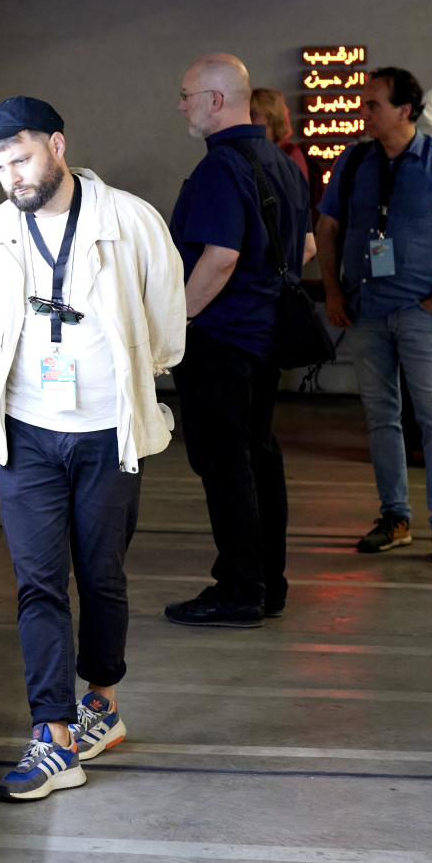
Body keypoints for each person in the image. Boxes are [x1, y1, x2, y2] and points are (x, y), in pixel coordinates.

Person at [0, 97, 184, 802]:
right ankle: (53, 735)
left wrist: (119, 381)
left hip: (107, 432)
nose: (11, 177)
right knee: (39, 582)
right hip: (26, 430)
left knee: (101, 574)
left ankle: (103, 703)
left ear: (57, 146)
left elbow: (165, 324)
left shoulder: (132, 221)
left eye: (21, 159)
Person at [166, 54, 313, 627]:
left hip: (221, 339)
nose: (181, 106)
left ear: (216, 100)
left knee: (226, 465)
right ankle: (267, 584)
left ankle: (239, 592)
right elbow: (303, 248)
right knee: (259, 457)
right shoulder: (281, 162)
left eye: (187, 95)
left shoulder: (220, 166)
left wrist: (176, 320)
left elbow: (220, 257)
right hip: (265, 337)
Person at [314, 67, 432, 565]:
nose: (363, 112)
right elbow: (327, 228)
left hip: (421, 313)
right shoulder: (353, 161)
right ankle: (395, 518)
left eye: (373, 105)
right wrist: (332, 291)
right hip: (366, 312)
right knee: (381, 418)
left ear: (404, 110)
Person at [250, 87, 311, 189]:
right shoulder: (249, 149)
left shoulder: (290, 153)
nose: (247, 119)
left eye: (252, 114)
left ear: (271, 117)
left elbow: (297, 195)